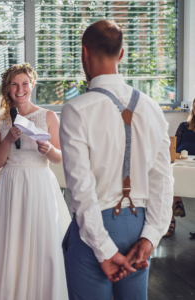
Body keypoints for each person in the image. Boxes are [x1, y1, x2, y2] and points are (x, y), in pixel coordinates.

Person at [60, 20, 174, 300]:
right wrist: (151, 236)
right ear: (121, 54)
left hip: (95, 228)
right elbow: (163, 179)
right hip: (140, 226)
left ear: (84, 53)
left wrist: (105, 250)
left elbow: (82, 191)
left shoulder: (76, 110)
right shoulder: (152, 108)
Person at [0, 63, 70, 300]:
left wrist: (49, 148)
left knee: (43, 244)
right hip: (11, 185)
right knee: (12, 243)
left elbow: (60, 158)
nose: (19, 89)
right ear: (7, 88)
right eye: (14, 84)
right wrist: (8, 139)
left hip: (39, 184)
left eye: (24, 84)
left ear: (32, 85)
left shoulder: (48, 116)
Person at [165, 98, 195, 236]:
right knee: (170, 174)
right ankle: (175, 206)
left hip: (193, 162)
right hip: (181, 160)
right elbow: (175, 143)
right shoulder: (184, 125)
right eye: (194, 107)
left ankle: (177, 204)